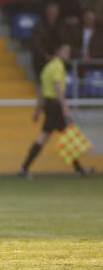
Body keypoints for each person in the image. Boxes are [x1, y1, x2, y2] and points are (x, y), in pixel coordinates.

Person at [19, 44, 93, 178]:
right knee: (64, 137)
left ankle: (24, 168)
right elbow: (58, 87)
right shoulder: (58, 66)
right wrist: (65, 107)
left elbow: (41, 90)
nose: (67, 55)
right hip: (55, 106)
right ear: (58, 52)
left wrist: (38, 110)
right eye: (66, 51)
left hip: (48, 105)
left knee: (51, 137)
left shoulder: (47, 67)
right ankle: (80, 170)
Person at [29, 2, 65, 78]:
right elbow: (36, 44)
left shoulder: (62, 26)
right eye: (51, 11)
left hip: (58, 59)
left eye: (55, 11)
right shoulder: (38, 27)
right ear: (46, 12)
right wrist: (46, 56)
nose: (53, 13)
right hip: (42, 61)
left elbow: (65, 41)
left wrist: (59, 53)